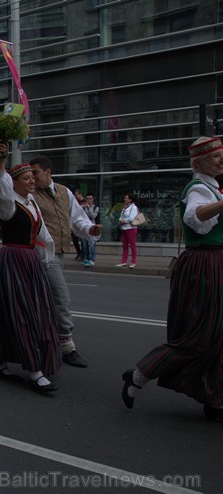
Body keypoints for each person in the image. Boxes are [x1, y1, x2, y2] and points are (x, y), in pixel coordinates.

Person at [122, 136, 223, 422]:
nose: (222, 160)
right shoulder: (199, 188)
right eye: (216, 157)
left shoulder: (214, 188)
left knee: (220, 334)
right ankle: (140, 374)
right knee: (201, 335)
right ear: (199, 162)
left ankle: (215, 400)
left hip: (216, 260)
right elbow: (196, 218)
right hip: (205, 262)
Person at [0, 144, 61, 392]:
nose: (32, 180)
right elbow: (0, 186)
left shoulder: (32, 202)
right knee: (20, 313)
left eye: (33, 176)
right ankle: (35, 370)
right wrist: (2, 162)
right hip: (12, 259)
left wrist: (45, 259)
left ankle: (0, 363)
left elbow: (42, 235)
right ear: (15, 183)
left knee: (36, 311)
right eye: (26, 178)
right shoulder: (9, 204)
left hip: (30, 260)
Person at [30, 156, 102, 368]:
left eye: (35, 172)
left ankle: (41, 340)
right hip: (42, 254)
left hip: (59, 254)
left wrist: (90, 229)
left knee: (42, 300)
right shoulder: (31, 195)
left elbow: (77, 219)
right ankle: (66, 345)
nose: (32, 177)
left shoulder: (64, 192)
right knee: (61, 297)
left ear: (48, 172)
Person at [116, 193, 139, 268]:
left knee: (133, 245)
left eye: (126, 198)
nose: (124, 199)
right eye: (124, 198)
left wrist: (124, 221)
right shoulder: (124, 207)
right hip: (124, 228)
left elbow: (132, 218)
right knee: (125, 245)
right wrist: (120, 220)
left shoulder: (134, 207)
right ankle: (123, 261)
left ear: (130, 199)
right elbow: (120, 216)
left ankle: (133, 262)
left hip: (131, 228)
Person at [81, 192, 100, 267]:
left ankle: (92, 260)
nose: (89, 200)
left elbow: (93, 216)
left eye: (90, 199)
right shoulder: (83, 207)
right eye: (87, 199)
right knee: (84, 244)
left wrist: (88, 208)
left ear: (93, 199)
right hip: (85, 227)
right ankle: (87, 258)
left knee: (92, 244)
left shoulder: (96, 208)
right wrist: (83, 208)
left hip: (92, 227)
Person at [71, 189, 86, 262]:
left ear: (80, 194)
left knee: (83, 240)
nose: (75, 196)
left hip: (82, 223)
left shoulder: (84, 203)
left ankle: (83, 254)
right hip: (75, 223)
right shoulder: (75, 202)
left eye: (76, 194)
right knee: (74, 239)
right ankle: (79, 252)